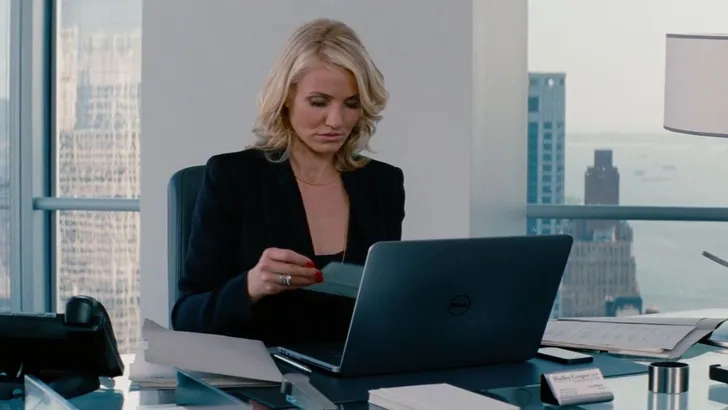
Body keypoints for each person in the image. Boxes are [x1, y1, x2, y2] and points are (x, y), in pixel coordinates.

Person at [171, 18, 406, 346]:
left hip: (351, 370)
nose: (336, 121)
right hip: (261, 371)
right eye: (319, 102)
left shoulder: (382, 183)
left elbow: (382, 308)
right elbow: (185, 317)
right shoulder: (233, 177)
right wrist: (251, 285)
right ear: (286, 98)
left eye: (351, 104)